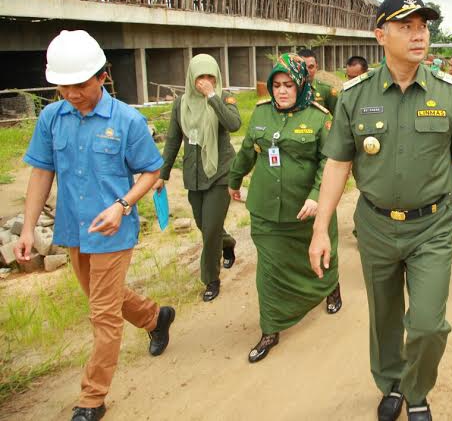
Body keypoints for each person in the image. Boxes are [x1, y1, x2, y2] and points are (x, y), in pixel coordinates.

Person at [308, 0, 452, 421]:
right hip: (376, 226)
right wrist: (320, 228)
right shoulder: (354, 96)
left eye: (422, 26)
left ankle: (417, 389)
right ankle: (390, 385)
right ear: (380, 35)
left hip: (433, 226)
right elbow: (337, 163)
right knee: (384, 317)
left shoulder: (450, 93)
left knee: (425, 323)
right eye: (406, 27)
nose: (418, 35)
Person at [14, 30, 175, 421]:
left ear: (103, 76)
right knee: (102, 298)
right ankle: (156, 318)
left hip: (113, 231)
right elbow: (41, 174)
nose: (71, 93)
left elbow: (151, 170)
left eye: (79, 85)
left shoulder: (127, 121)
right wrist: (27, 228)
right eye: (63, 86)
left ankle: (92, 398)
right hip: (74, 228)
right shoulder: (52, 118)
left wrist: (123, 205)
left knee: (102, 313)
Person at [228, 54, 341, 363]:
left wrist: (317, 195)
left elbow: (329, 162)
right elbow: (247, 151)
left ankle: (330, 287)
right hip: (266, 209)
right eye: (276, 85)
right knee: (269, 270)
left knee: (317, 256)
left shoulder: (319, 118)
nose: (281, 91)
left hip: (305, 209)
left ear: (300, 85)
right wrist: (234, 180)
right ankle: (271, 328)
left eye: (288, 85)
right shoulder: (261, 114)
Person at [155, 54, 240, 301]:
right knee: (205, 226)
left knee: (211, 229)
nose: (204, 81)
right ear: (191, 78)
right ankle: (228, 243)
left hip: (220, 173)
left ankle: (211, 279)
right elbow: (172, 140)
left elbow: (234, 124)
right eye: (200, 77)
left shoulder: (224, 97)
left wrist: (212, 96)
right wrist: (163, 173)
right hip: (194, 174)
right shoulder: (181, 103)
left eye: (210, 77)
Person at [297, 48, 339, 112]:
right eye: (303, 67)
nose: (307, 71)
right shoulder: (289, 89)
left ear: (316, 67)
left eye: (311, 67)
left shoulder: (326, 90)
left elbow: (338, 117)